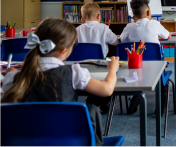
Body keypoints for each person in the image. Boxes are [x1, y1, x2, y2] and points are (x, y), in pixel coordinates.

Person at [1, 18, 119, 147]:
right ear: (63, 51)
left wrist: (12, 72)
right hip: (68, 142)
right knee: (92, 109)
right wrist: (112, 70)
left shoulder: (13, 79)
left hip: (25, 142)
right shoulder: (74, 72)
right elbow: (107, 89)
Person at [120, 0, 170, 114]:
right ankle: (160, 111)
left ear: (133, 16)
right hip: (156, 68)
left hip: (134, 68)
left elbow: (121, 41)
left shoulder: (129, 26)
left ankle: (134, 102)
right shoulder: (155, 24)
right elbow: (168, 36)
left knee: (140, 76)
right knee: (164, 83)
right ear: (148, 12)